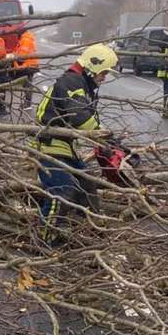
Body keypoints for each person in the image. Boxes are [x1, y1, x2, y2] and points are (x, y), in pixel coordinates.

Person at [29, 43, 118, 247]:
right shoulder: (72, 82)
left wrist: (107, 140)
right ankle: (45, 239)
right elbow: (81, 118)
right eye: (103, 72)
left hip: (64, 146)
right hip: (47, 146)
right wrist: (105, 138)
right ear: (92, 66)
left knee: (86, 183)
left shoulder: (80, 84)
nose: (104, 77)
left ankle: (90, 227)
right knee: (63, 190)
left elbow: (83, 119)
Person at [12, 30, 39, 108]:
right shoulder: (25, 39)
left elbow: (22, 56)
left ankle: (27, 104)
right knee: (26, 84)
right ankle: (27, 102)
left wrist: (14, 60)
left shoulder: (25, 40)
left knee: (27, 85)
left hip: (28, 65)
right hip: (29, 65)